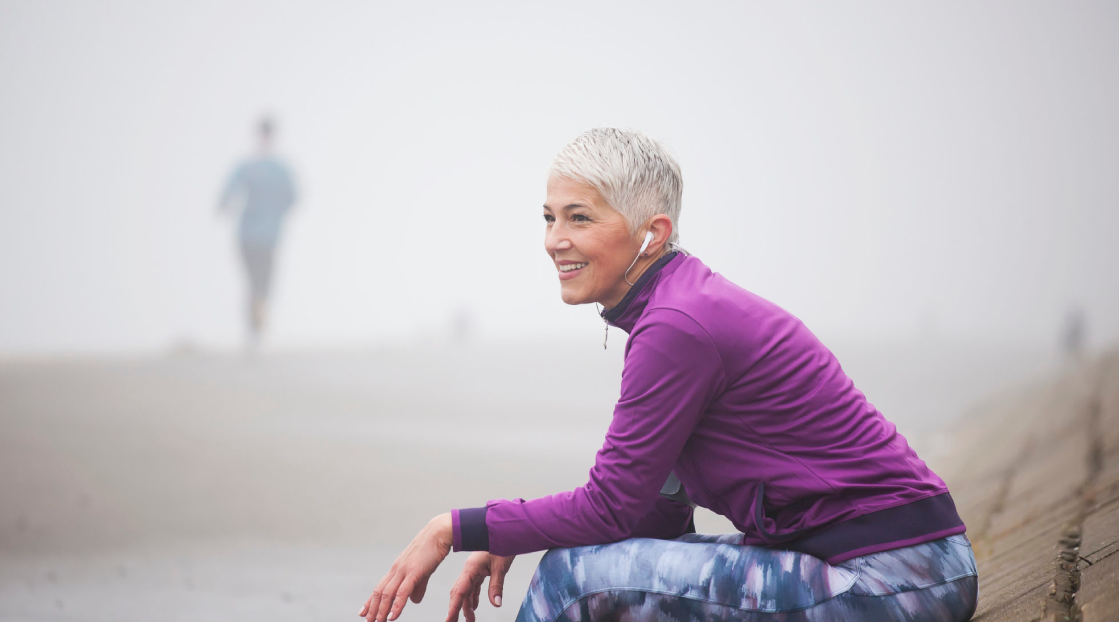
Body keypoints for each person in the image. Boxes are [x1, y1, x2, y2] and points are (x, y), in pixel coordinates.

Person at [358, 129, 978, 622]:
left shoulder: (678, 326)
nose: (554, 240)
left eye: (579, 218)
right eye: (548, 217)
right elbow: (650, 514)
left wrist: (456, 528)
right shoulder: (680, 308)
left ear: (651, 234)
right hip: (896, 563)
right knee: (587, 562)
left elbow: (609, 506)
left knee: (568, 579)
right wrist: (514, 531)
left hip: (895, 578)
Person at [217, 117, 297, 348]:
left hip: (250, 234)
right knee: (261, 284)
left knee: (254, 285)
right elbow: (293, 198)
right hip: (266, 236)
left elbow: (227, 195)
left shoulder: (248, 167)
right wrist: (278, 213)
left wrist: (222, 206)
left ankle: (254, 330)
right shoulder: (278, 169)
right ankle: (256, 326)